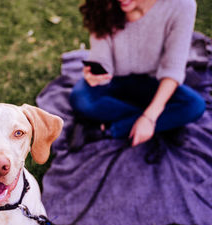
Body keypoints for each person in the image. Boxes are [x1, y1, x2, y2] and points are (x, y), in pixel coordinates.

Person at [69, 0, 206, 146]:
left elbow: (173, 68)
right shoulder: (103, 3)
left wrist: (149, 117)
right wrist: (97, 74)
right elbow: (102, 58)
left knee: (194, 106)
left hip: (154, 82)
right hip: (116, 80)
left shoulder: (181, 5)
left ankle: (106, 130)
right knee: (80, 98)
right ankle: (166, 122)